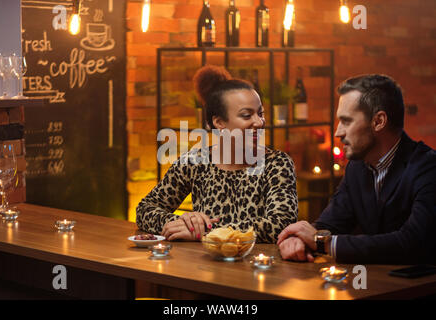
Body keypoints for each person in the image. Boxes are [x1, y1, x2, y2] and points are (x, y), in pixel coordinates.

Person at [277, 74, 436, 264]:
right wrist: (299, 239)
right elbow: (331, 224)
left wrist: (321, 242)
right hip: (373, 285)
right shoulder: (357, 167)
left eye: (346, 121)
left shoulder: (428, 167)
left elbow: (412, 242)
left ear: (379, 121)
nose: (338, 132)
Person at [137, 65, 298, 243]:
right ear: (219, 122)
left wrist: (206, 232)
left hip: (258, 267)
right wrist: (183, 223)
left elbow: (280, 224)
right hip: (202, 267)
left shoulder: (277, 164)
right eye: (247, 115)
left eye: (260, 113)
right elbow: (145, 209)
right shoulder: (195, 162)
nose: (259, 122)